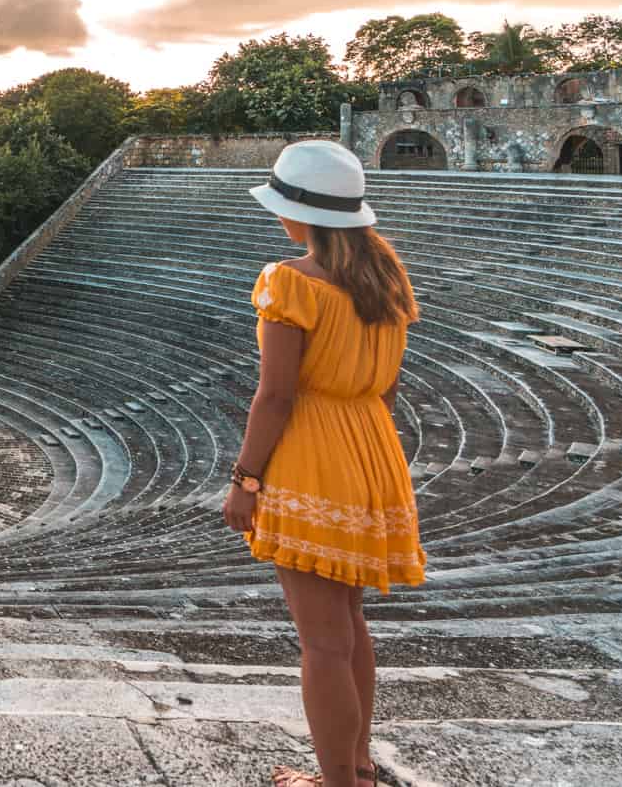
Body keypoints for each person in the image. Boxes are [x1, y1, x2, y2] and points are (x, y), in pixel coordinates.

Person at [223, 141, 425, 787]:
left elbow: (277, 395)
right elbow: (387, 390)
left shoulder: (290, 282)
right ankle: (358, 771)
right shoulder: (386, 279)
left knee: (322, 642)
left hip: (310, 456)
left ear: (296, 214)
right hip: (370, 451)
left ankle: (336, 783)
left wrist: (245, 480)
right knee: (350, 624)